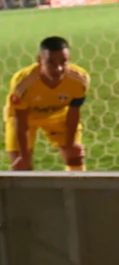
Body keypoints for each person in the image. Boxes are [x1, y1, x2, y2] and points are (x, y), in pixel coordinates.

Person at [3, 36, 89, 171]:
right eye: (51, 63)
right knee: (22, 165)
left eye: (64, 62)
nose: (59, 68)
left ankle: (76, 191)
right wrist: (24, 156)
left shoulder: (79, 80)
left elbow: (74, 111)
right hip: (26, 117)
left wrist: (71, 144)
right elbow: (21, 120)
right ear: (39, 61)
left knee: (75, 156)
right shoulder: (23, 83)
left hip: (57, 115)